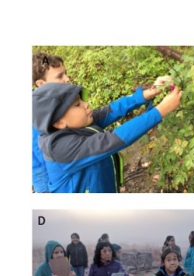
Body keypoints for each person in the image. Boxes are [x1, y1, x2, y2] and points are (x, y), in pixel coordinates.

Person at [32, 80, 182, 193]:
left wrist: (146, 94)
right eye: (77, 105)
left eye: (82, 99)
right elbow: (112, 140)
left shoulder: (77, 125)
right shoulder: (60, 148)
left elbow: (111, 110)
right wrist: (161, 110)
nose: (86, 104)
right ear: (59, 122)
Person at [32, 52, 70, 193]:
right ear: (41, 84)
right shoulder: (36, 113)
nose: (67, 79)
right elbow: (41, 155)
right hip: (50, 183)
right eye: (60, 76)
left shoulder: (55, 100)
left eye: (65, 73)